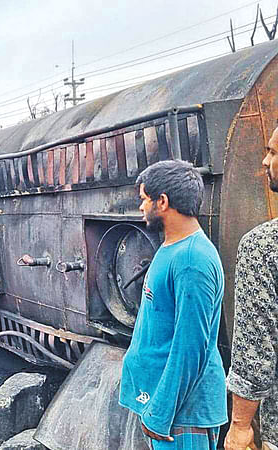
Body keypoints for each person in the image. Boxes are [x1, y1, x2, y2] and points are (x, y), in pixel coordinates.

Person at [119, 160, 226, 449]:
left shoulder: (193, 260)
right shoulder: (173, 248)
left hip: (183, 416)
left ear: (163, 202)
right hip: (167, 408)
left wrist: (160, 414)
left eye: (144, 199)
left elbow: (190, 347)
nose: (141, 207)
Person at [225, 126, 278, 450]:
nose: (264, 161)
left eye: (273, 152)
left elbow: (255, 352)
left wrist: (240, 426)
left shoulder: (264, 246)